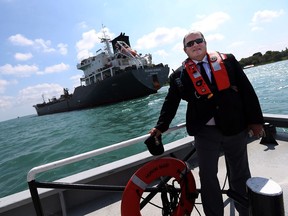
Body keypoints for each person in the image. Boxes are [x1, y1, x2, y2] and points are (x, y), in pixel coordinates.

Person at [149, 31, 264, 216]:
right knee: (208, 177)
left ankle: (246, 212)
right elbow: (170, 103)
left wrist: (256, 121)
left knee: (241, 173)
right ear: (185, 50)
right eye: (190, 44)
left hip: (235, 127)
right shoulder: (179, 75)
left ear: (205, 42)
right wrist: (161, 126)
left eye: (198, 41)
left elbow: (247, 90)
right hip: (205, 133)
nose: (195, 45)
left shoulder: (228, 60)